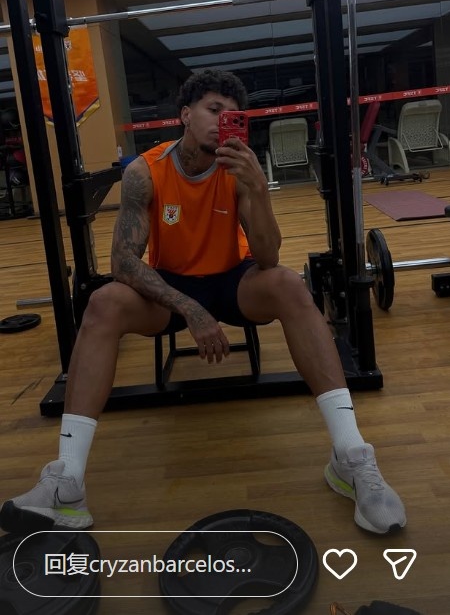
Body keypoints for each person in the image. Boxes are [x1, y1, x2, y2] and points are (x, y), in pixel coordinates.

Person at [0, 70, 406, 536]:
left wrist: (257, 188)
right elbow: (123, 263)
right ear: (185, 115)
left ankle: (350, 457)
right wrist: (191, 309)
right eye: (214, 110)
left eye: (234, 115)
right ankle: (66, 482)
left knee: (289, 285)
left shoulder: (240, 170)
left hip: (232, 281)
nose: (223, 121)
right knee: (104, 301)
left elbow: (268, 258)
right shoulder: (144, 172)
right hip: (171, 289)